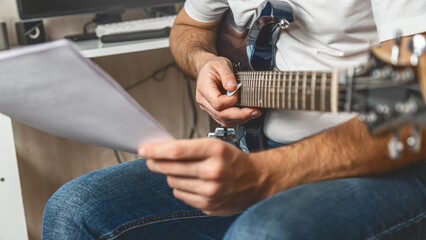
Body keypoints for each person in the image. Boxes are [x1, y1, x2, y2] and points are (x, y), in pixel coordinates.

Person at [42, 0, 426, 239]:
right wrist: (203, 62)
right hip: (257, 149)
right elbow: (188, 29)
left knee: (262, 233)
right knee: (74, 209)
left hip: (388, 165)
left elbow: (416, 105)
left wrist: (268, 175)